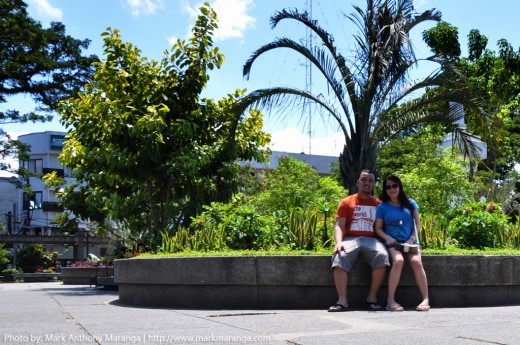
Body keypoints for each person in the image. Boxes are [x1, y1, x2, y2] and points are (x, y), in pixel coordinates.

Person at [328, 169, 390, 312]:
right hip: (350, 239)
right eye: (363, 179)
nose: (367, 183)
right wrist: (338, 242)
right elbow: (339, 225)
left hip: (371, 240)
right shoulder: (346, 202)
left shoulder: (378, 204)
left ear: (374, 184)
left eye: (370, 180)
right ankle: (342, 300)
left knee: (382, 256)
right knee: (340, 256)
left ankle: (372, 297)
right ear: (358, 182)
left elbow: (383, 225)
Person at [375, 175, 430, 312]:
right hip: (393, 243)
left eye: (394, 186)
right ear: (385, 190)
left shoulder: (410, 203)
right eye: (388, 187)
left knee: (417, 262)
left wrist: (412, 238)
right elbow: (378, 228)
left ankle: (425, 299)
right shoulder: (382, 206)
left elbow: (417, 223)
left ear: (399, 187)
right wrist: (387, 238)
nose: (391, 189)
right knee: (398, 260)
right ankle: (390, 300)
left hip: (410, 242)